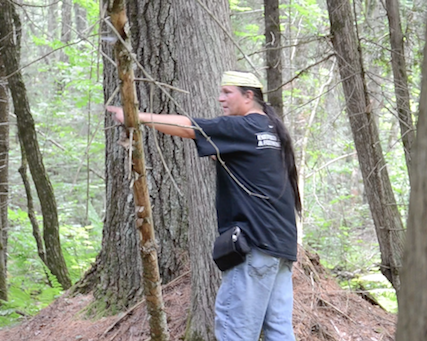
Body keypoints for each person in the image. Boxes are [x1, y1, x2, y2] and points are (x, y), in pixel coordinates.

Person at [106, 70, 301, 341]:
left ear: (248, 96)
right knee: (279, 331)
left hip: (255, 247)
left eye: (227, 93)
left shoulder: (244, 127)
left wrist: (138, 117)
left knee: (236, 331)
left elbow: (190, 127)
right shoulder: (272, 132)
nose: (220, 98)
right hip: (281, 248)